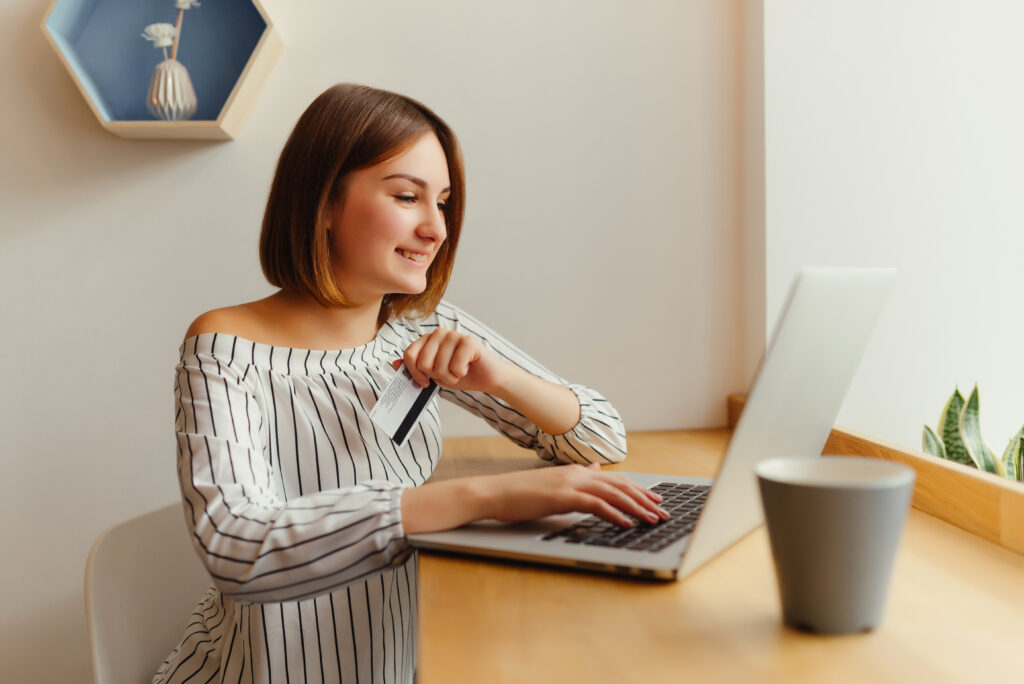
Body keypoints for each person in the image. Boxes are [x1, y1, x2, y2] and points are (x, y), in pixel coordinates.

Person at [154, 83, 668, 684]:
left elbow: (603, 438)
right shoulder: (224, 347)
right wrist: (485, 499)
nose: (437, 229)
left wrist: (502, 379)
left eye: (443, 203)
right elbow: (236, 549)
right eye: (406, 196)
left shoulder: (422, 327)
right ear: (323, 203)